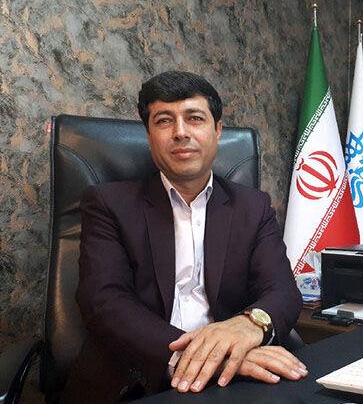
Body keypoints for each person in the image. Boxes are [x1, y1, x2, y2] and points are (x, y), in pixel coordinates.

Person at [63, 71, 304, 403]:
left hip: (231, 382)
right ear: (149, 136)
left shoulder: (253, 206)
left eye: (195, 118)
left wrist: (250, 325)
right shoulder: (109, 204)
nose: (180, 132)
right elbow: (104, 301)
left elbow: (282, 290)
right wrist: (207, 358)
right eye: (164, 121)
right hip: (138, 376)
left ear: (217, 131)